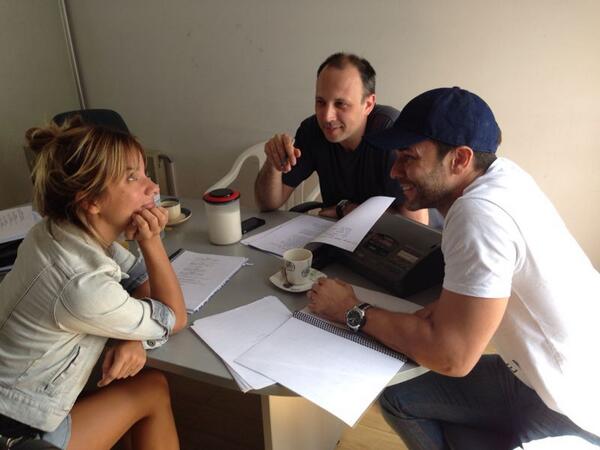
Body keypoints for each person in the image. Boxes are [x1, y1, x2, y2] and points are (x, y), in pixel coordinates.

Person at [307, 87, 600, 449]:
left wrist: (351, 311)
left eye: (408, 157)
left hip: (573, 403)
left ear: (460, 159)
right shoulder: (504, 175)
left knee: (399, 398)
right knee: (415, 398)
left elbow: (452, 358)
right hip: (560, 370)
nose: (395, 171)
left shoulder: (478, 215)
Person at [0, 117, 188, 450]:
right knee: (153, 390)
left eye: (145, 173)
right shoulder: (82, 283)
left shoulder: (59, 232)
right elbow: (174, 316)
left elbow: (139, 283)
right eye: (133, 178)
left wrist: (129, 336)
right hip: (17, 433)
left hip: (17, 395)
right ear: (91, 201)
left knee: (147, 384)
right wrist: (152, 241)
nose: (153, 187)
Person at [254, 52, 428, 223]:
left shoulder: (391, 132)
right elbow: (268, 204)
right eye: (321, 102)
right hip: (339, 234)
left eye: (340, 104)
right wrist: (273, 162)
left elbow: (416, 224)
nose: (327, 117)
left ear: (368, 105)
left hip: (398, 239)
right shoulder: (312, 130)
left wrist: (346, 210)